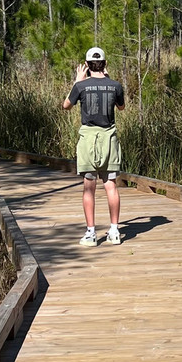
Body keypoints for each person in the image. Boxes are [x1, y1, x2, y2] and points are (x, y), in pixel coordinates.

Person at [62, 47, 125, 246]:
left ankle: (91, 233)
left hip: (88, 138)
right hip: (109, 139)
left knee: (89, 187)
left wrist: (77, 81)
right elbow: (121, 107)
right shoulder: (115, 85)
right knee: (111, 185)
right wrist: (108, 78)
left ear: (87, 66)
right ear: (105, 64)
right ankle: (114, 231)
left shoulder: (81, 86)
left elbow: (66, 106)